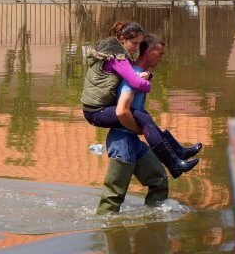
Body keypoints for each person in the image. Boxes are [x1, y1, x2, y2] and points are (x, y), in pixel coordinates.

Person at [82, 23, 201, 178]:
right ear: (122, 39)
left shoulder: (120, 55)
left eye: (140, 43)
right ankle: (174, 163)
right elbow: (135, 83)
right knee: (143, 118)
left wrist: (148, 75)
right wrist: (148, 83)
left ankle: (177, 154)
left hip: (104, 112)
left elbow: (132, 74)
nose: (137, 47)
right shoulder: (118, 58)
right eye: (135, 43)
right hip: (97, 112)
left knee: (145, 118)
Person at [96, 34, 198, 214]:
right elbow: (122, 110)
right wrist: (138, 129)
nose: (162, 57)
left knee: (158, 180)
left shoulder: (140, 74)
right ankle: (107, 227)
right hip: (121, 141)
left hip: (133, 141)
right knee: (114, 195)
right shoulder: (133, 75)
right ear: (149, 51)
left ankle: (154, 220)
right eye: (160, 53)